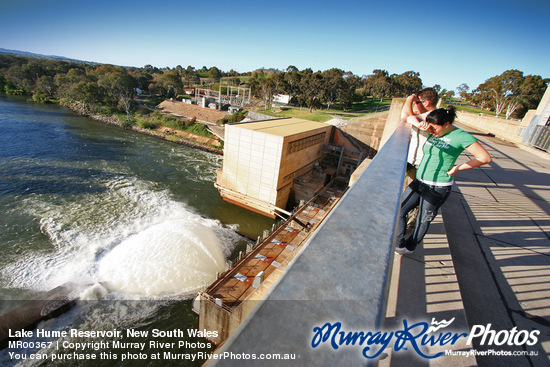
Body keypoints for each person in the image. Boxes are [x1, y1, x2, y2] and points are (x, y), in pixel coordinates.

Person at [395, 105, 492, 255]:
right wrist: (421, 121)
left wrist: (457, 168)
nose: (431, 132)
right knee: (400, 210)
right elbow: (406, 116)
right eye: (430, 129)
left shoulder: (461, 136)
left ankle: (409, 247)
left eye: (434, 129)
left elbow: (484, 158)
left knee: (423, 220)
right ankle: (399, 242)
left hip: (437, 186)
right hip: (420, 180)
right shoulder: (434, 130)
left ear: (447, 124)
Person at [401, 88, 439, 177]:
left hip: (420, 164)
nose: (415, 106)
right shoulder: (437, 115)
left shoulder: (430, 117)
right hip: (423, 163)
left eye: (417, 102)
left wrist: (410, 98)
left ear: (426, 103)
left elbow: (405, 116)